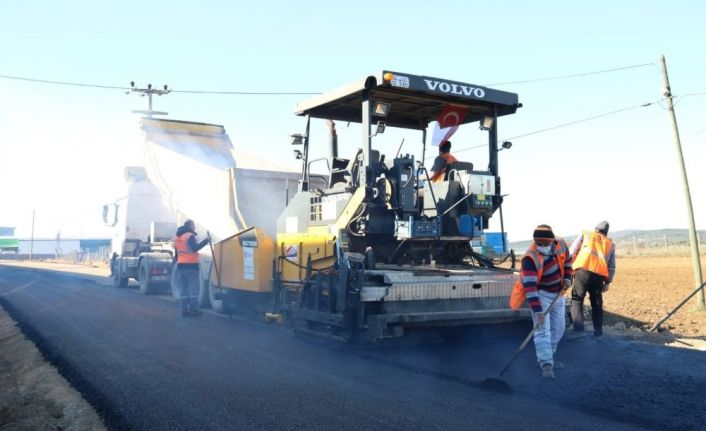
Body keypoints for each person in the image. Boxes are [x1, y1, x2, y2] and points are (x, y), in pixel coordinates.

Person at [520, 224, 574, 379]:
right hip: (540, 294)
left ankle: (547, 356)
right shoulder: (530, 258)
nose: (542, 246)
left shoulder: (561, 244)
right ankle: (546, 364)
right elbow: (529, 287)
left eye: (545, 244)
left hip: (558, 293)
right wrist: (538, 311)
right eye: (539, 244)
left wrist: (568, 278)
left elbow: (568, 261)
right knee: (542, 330)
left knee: (558, 328)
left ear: (552, 241)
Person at [569, 220, 616, 339]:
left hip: (582, 271)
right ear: (606, 233)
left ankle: (579, 331)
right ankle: (598, 334)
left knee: (577, 299)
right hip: (599, 276)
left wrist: (567, 269)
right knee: (597, 303)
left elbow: (572, 251)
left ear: (596, 229)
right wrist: (608, 282)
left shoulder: (586, 234)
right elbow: (611, 266)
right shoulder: (610, 244)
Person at [175, 219, 210, 317]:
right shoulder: (189, 236)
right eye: (194, 226)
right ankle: (194, 309)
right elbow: (195, 247)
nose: (194, 228)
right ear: (190, 225)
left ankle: (184, 310)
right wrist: (206, 240)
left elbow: (177, 253)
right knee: (193, 289)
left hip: (181, 266)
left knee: (184, 289)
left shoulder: (178, 236)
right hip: (191, 266)